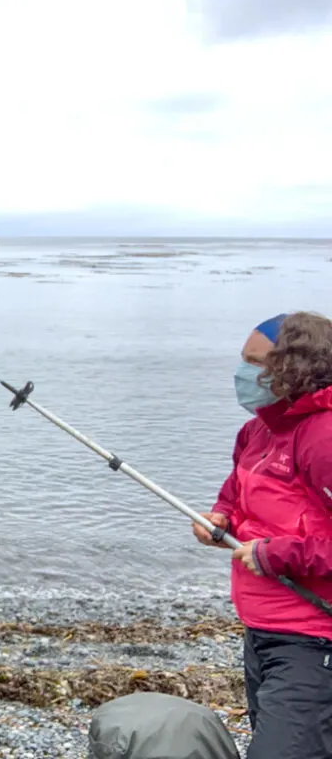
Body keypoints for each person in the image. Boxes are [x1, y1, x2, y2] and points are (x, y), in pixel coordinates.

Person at [192, 311, 332, 759]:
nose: (242, 374)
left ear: (294, 368)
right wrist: (220, 518)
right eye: (243, 360)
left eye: (255, 363)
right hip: (261, 628)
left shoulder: (323, 438)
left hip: (314, 636)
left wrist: (278, 554)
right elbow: (237, 492)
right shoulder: (257, 430)